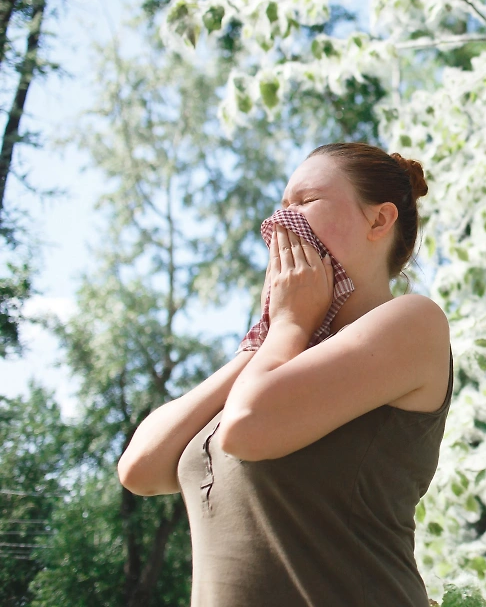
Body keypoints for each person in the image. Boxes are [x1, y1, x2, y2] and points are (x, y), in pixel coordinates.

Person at [117, 142, 452, 606]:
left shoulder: (414, 323)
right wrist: (266, 337)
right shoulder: (275, 359)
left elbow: (247, 427)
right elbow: (141, 469)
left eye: (305, 202)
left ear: (379, 220)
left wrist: (291, 323)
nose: (281, 222)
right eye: (281, 206)